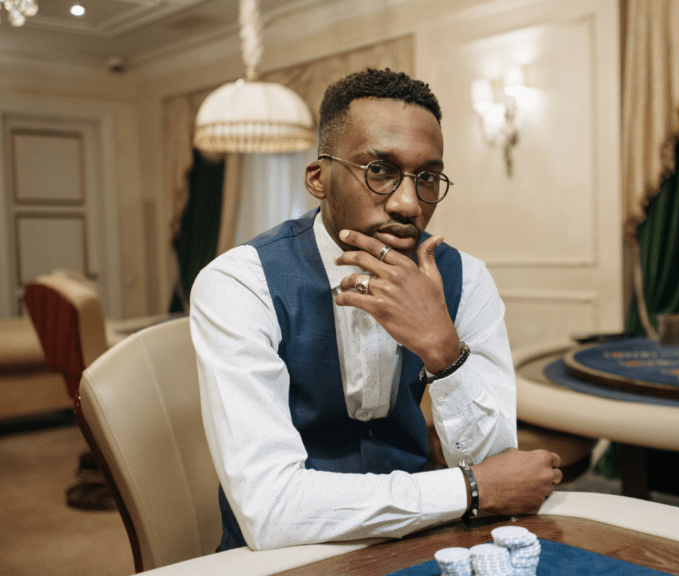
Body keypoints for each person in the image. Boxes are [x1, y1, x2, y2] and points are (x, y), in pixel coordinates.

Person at [190, 68, 562, 552]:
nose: (409, 203)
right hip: (286, 559)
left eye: (427, 176)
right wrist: (469, 490)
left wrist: (443, 350)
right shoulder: (240, 283)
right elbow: (271, 508)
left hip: (424, 540)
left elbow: (501, 473)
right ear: (319, 178)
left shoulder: (466, 279)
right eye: (380, 171)